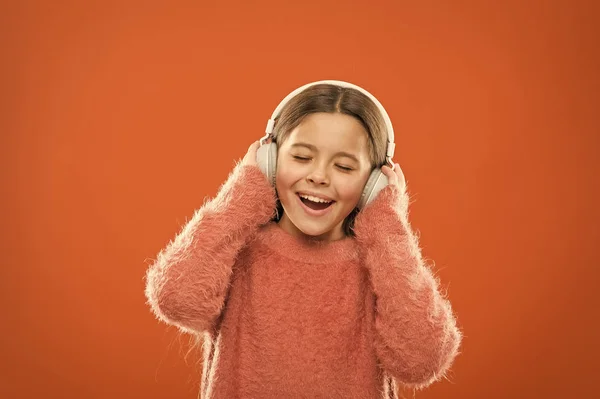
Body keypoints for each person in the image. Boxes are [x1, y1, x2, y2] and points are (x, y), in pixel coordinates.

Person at [144, 81, 462, 398]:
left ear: (373, 183)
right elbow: (177, 301)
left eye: (344, 166)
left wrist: (388, 227)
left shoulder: (383, 266)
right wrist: (241, 198)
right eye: (301, 157)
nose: (319, 176)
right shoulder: (237, 247)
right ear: (270, 160)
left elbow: (421, 361)